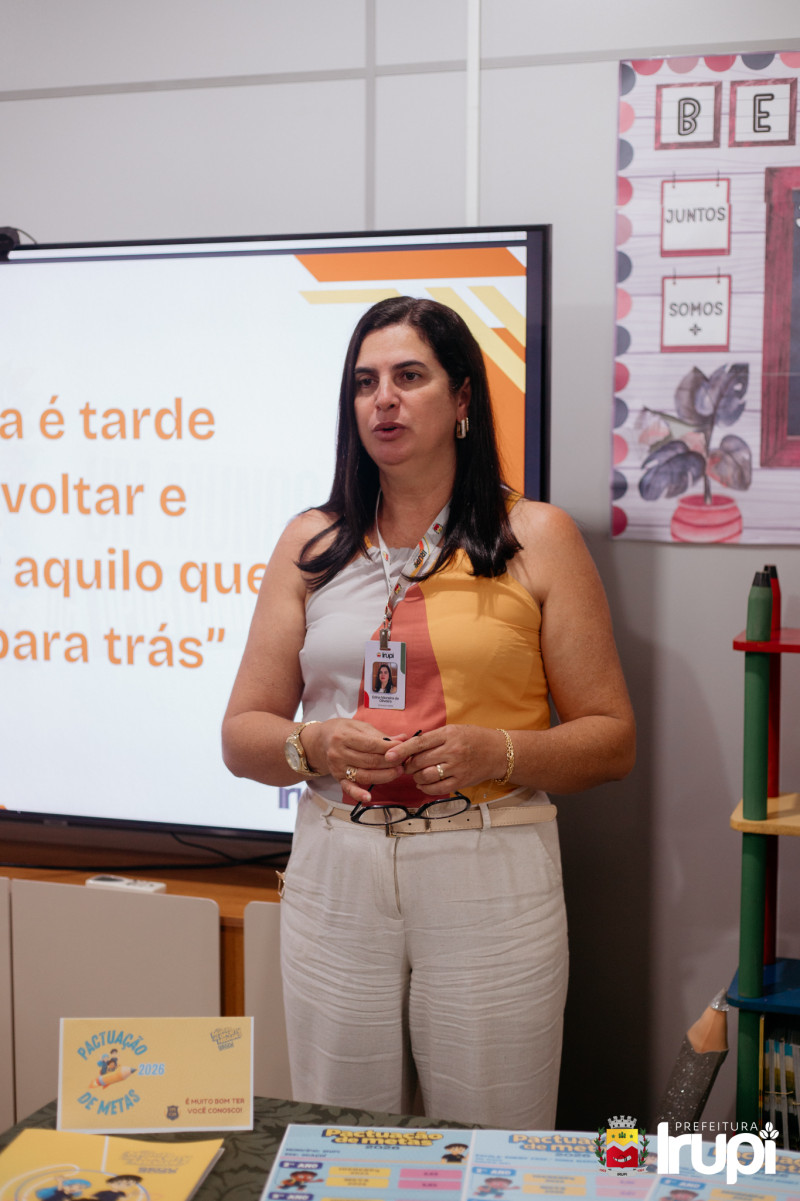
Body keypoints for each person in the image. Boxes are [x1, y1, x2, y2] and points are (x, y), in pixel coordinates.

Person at [222, 296, 635, 1128]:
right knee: (339, 1141)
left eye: (409, 376)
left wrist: (499, 752)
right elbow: (242, 735)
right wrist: (315, 744)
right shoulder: (310, 542)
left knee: (493, 1145)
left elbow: (611, 739)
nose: (384, 399)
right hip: (336, 871)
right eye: (365, 382)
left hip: (487, 865)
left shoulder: (536, 536)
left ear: (462, 399)